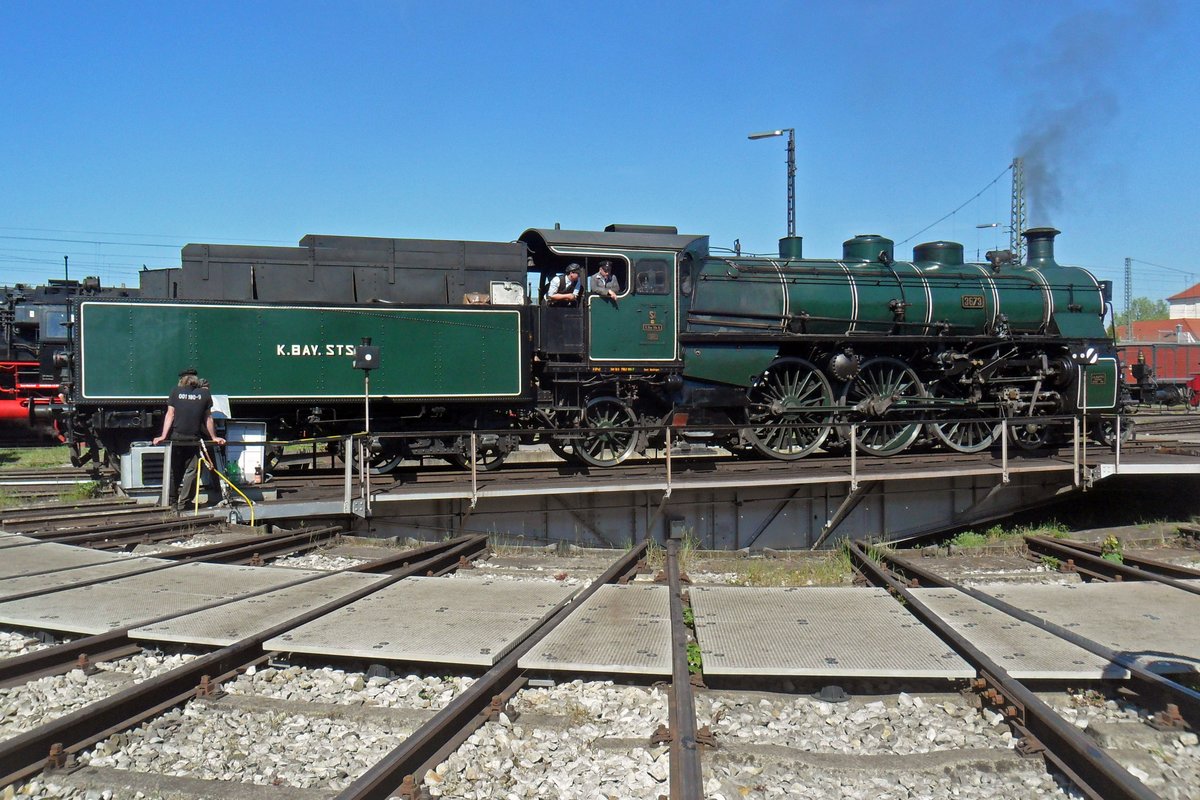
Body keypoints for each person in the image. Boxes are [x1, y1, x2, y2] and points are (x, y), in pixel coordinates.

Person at [152, 368, 225, 512]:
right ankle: (184, 502)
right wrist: (214, 437)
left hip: (177, 438)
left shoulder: (175, 392)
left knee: (175, 471)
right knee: (193, 471)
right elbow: (208, 418)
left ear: (182, 380)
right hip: (194, 440)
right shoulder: (205, 394)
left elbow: (170, 414)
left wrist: (163, 435)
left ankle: (172, 502)